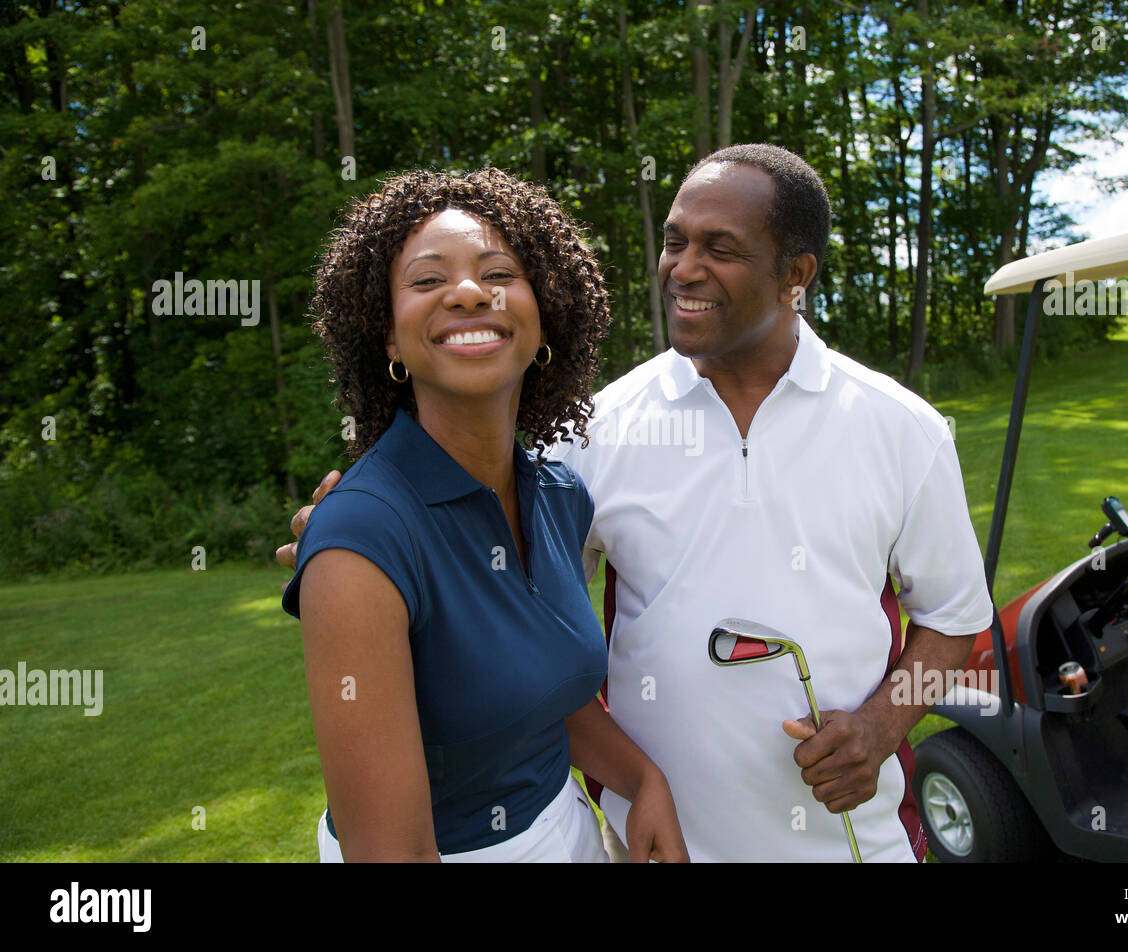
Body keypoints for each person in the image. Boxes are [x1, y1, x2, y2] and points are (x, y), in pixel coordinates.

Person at [283, 146, 992, 862]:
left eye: (721, 248)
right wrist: (351, 540)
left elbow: (956, 619)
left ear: (795, 276)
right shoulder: (591, 434)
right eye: (674, 241)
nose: (683, 268)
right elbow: (469, 554)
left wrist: (880, 725)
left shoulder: (904, 430)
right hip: (655, 847)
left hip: (851, 844)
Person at [280, 166, 688, 862]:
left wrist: (642, 778)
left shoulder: (561, 497)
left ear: (544, 314)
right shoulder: (360, 539)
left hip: (569, 830)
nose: (469, 293)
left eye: (498, 272)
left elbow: (540, 689)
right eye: (427, 280)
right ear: (386, 338)